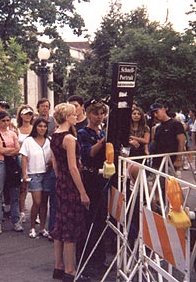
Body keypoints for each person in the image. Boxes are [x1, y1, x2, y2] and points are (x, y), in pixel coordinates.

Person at [50, 103, 90, 282]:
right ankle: (70, 270)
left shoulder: (54, 136)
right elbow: (73, 167)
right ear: (67, 118)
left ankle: (58, 267)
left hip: (61, 183)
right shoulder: (69, 139)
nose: (76, 117)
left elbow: (56, 164)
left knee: (60, 225)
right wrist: (82, 192)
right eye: (74, 115)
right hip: (71, 184)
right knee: (70, 228)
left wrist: (60, 179)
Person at [77, 99, 108, 268]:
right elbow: (88, 153)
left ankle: (100, 257)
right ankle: (86, 257)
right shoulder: (83, 132)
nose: (99, 117)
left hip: (104, 176)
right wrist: (102, 142)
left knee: (102, 217)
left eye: (102, 113)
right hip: (90, 177)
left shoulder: (102, 131)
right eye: (96, 113)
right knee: (90, 218)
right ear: (89, 114)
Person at [0, 111, 23, 234]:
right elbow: (0, 150)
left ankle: (15, 220)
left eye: (7, 120)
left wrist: (9, 151)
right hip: (0, 163)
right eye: (3, 120)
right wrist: (11, 151)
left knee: (14, 192)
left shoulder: (13, 134)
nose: (5, 123)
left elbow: (18, 149)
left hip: (12, 163)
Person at [20, 118, 52, 238]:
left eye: (44, 126)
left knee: (44, 202)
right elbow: (24, 157)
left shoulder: (49, 140)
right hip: (34, 174)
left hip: (47, 173)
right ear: (35, 127)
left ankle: (42, 228)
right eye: (40, 126)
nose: (42, 128)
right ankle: (32, 227)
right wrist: (25, 174)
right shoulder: (28, 141)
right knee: (37, 202)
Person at [149, 102, 186, 172]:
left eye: (156, 112)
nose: (155, 115)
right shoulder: (158, 128)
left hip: (171, 160)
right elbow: (154, 143)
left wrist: (179, 159)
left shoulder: (176, 124)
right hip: (158, 161)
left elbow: (181, 142)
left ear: (163, 110)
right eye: (153, 113)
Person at [16, 105, 35, 223]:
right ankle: (22, 211)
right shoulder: (16, 129)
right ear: (21, 115)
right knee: (23, 187)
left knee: (35, 187)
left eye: (30, 114)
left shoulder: (35, 128)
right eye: (26, 114)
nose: (28, 116)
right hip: (20, 160)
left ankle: (36, 212)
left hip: (33, 160)